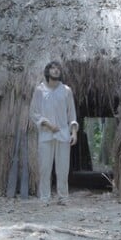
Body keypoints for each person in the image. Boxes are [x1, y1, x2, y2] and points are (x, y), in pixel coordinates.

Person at [30, 61, 79, 205]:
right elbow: (34, 113)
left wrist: (74, 132)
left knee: (63, 169)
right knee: (44, 168)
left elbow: (72, 114)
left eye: (58, 68)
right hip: (46, 135)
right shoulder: (39, 90)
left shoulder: (66, 90)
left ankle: (63, 197)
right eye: (53, 68)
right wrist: (48, 124)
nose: (56, 70)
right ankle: (44, 198)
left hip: (63, 134)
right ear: (48, 71)